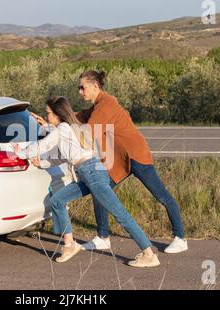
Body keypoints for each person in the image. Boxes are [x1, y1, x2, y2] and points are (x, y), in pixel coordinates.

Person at [12, 96, 160, 267]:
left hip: (92, 174)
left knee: (120, 214)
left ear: (58, 114)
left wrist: (20, 153)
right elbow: (64, 156)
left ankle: (148, 254)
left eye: (48, 113)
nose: (46, 117)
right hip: (93, 172)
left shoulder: (63, 129)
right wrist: (42, 162)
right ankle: (69, 245)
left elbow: (43, 146)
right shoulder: (72, 129)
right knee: (57, 200)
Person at [75, 70, 187, 254]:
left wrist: (61, 132)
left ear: (94, 86)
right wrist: (56, 117)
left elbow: (88, 130)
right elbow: (80, 116)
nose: (80, 91)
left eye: (82, 87)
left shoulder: (106, 104)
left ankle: (180, 238)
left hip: (136, 155)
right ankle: (102, 238)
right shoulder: (98, 105)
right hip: (121, 158)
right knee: (100, 190)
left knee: (161, 195)